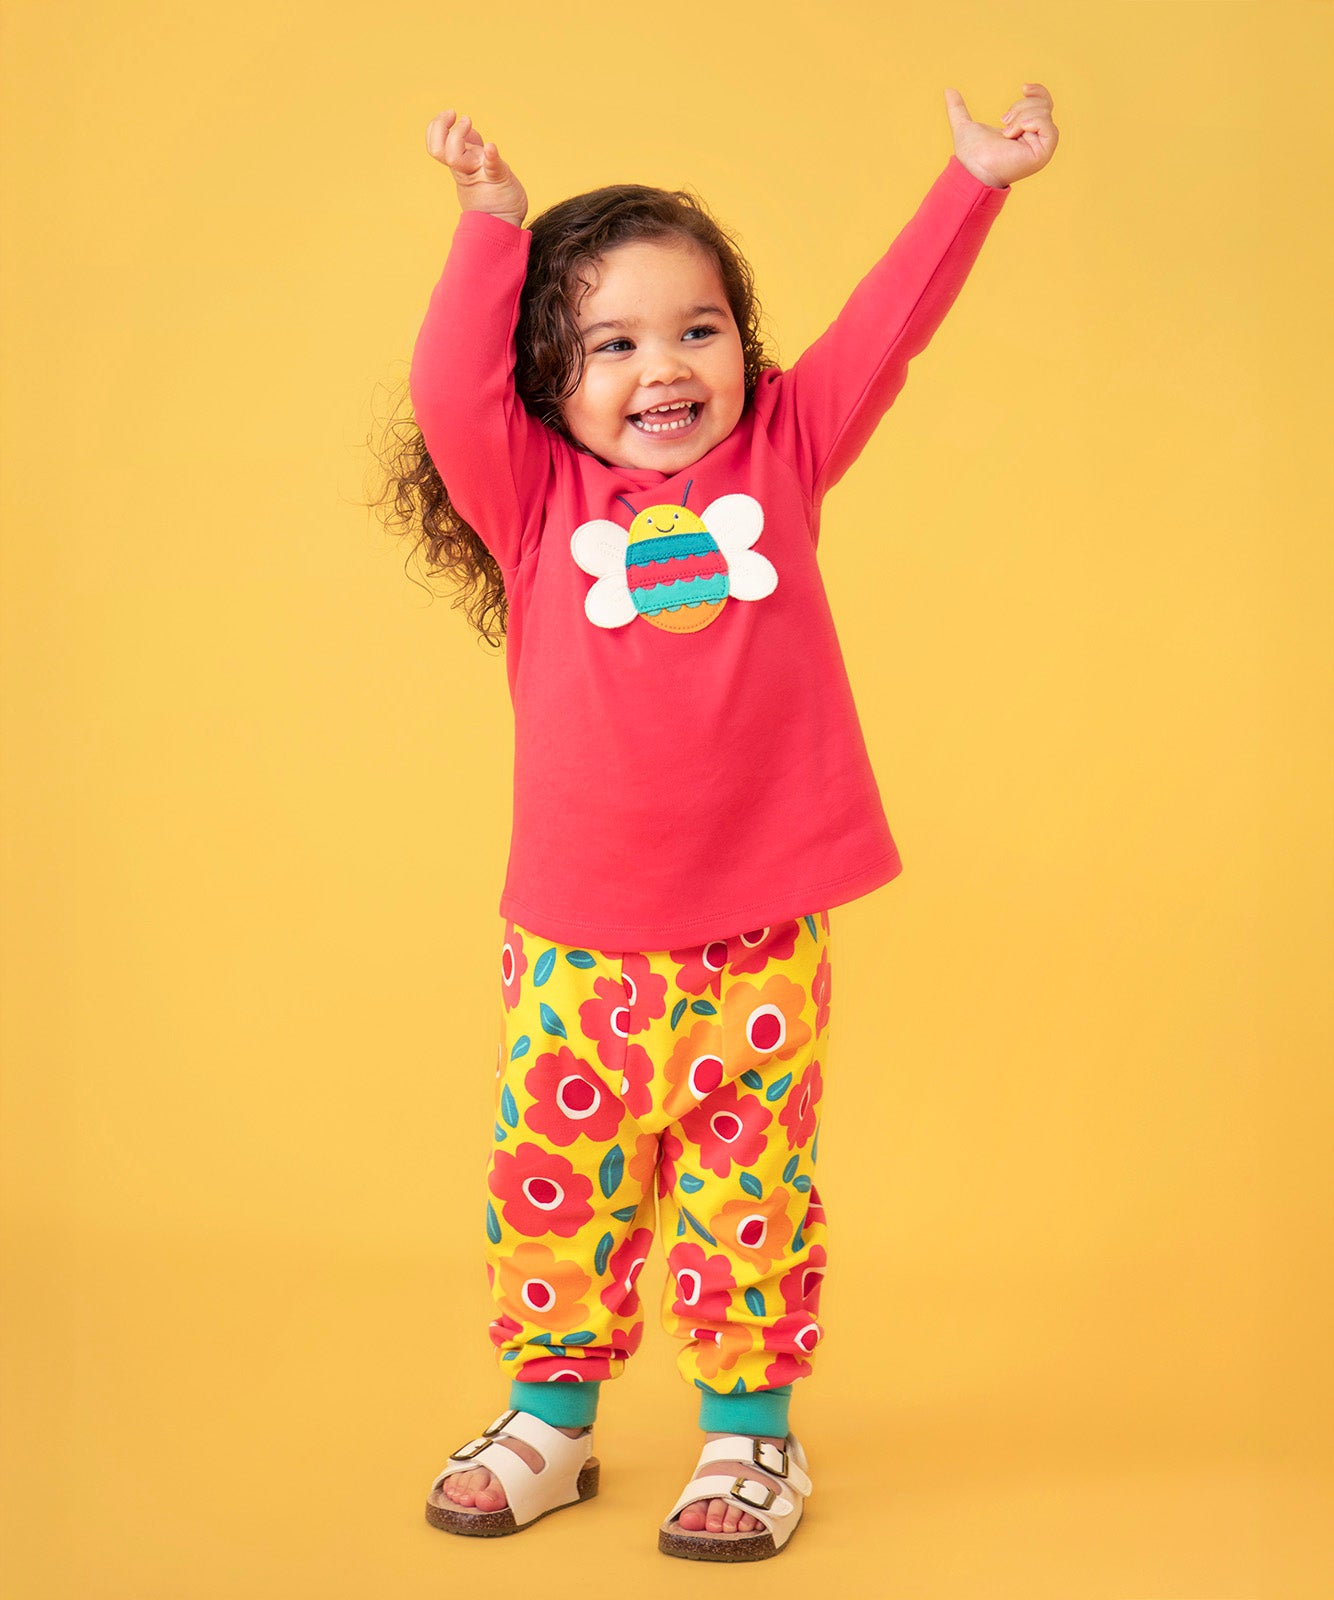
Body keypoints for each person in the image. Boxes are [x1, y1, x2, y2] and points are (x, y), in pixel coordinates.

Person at [380, 84, 1058, 1561]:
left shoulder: (784, 457)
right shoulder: (533, 501)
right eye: (612, 344)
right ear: (545, 376)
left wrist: (971, 183)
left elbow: (885, 330)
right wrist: (491, 227)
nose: (666, 368)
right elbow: (447, 390)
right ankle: (550, 1422)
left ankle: (751, 1435)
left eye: (699, 330)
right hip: (577, 945)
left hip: (758, 936)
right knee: (558, 1188)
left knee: (749, 1188)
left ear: (743, 347)